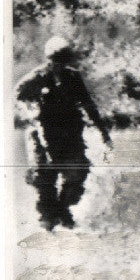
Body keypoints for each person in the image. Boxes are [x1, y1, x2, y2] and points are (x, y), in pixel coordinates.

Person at [16, 36, 112, 230]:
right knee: (44, 177)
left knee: (78, 172)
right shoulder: (36, 77)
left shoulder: (73, 77)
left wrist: (103, 132)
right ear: (49, 61)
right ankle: (49, 218)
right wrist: (30, 112)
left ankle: (62, 209)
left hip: (69, 132)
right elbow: (18, 96)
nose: (60, 67)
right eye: (56, 62)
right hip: (42, 132)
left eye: (64, 62)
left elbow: (87, 104)